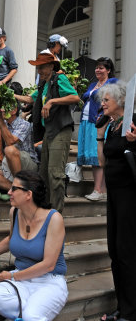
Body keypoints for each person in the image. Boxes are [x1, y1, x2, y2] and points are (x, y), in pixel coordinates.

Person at [0, 170, 68, 321]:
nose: (9, 192)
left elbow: (48, 265)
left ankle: (29, 315)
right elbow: (11, 239)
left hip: (49, 280)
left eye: (14, 189)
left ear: (28, 194)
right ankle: (28, 315)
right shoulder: (15, 212)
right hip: (22, 279)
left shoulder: (54, 219)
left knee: (31, 315)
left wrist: (12, 275)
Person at [14, 52, 80, 213]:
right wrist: (10, 94)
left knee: (55, 174)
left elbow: (75, 97)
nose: (39, 71)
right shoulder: (44, 85)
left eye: (42, 67)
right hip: (48, 131)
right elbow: (30, 99)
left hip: (61, 130)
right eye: (38, 68)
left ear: (51, 66)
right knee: (44, 174)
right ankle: (45, 209)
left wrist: (51, 102)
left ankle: (56, 214)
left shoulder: (59, 79)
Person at [97, 82, 136, 321]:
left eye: (106, 101)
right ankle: (122, 307)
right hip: (113, 195)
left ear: (120, 102)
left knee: (127, 251)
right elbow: (103, 163)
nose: (102, 104)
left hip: (130, 196)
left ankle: (131, 311)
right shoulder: (111, 126)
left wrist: (134, 140)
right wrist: (100, 137)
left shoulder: (133, 122)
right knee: (114, 249)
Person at [77, 57, 117, 201]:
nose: (98, 70)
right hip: (87, 121)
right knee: (95, 155)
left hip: (100, 122)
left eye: (101, 67)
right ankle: (104, 190)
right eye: (97, 67)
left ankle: (98, 190)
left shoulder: (112, 82)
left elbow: (116, 99)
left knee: (98, 155)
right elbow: (84, 98)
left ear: (108, 70)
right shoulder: (93, 84)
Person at [0, 103, 38, 191]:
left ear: (14, 110)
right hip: (10, 162)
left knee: (9, 149)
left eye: (3, 108)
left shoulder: (24, 124)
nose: (1, 111)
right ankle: (18, 191)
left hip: (29, 163)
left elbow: (10, 142)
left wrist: (0, 119)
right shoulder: (4, 122)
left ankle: (18, 184)